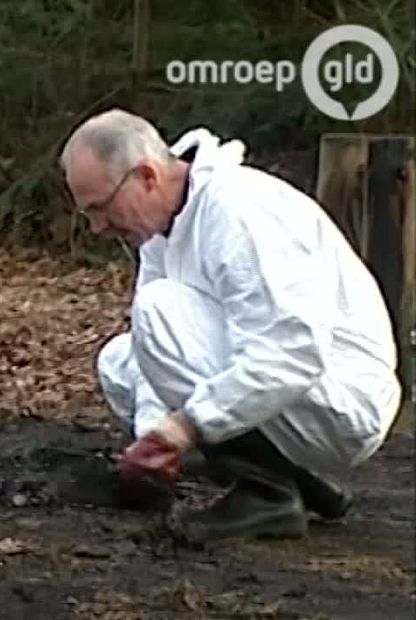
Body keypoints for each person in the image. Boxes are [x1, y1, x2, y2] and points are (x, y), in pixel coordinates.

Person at [58, 109, 400, 540]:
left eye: (101, 208)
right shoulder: (160, 229)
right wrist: (151, 439)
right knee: (119, 360)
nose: (97, 226)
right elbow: (152, 350)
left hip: (342, 402)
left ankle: (269, 496)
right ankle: (295, 479)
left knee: (158, 309)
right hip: (293, 392)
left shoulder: (239, 211)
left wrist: (184, 426)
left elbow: (291, 352)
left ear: (145, 176)